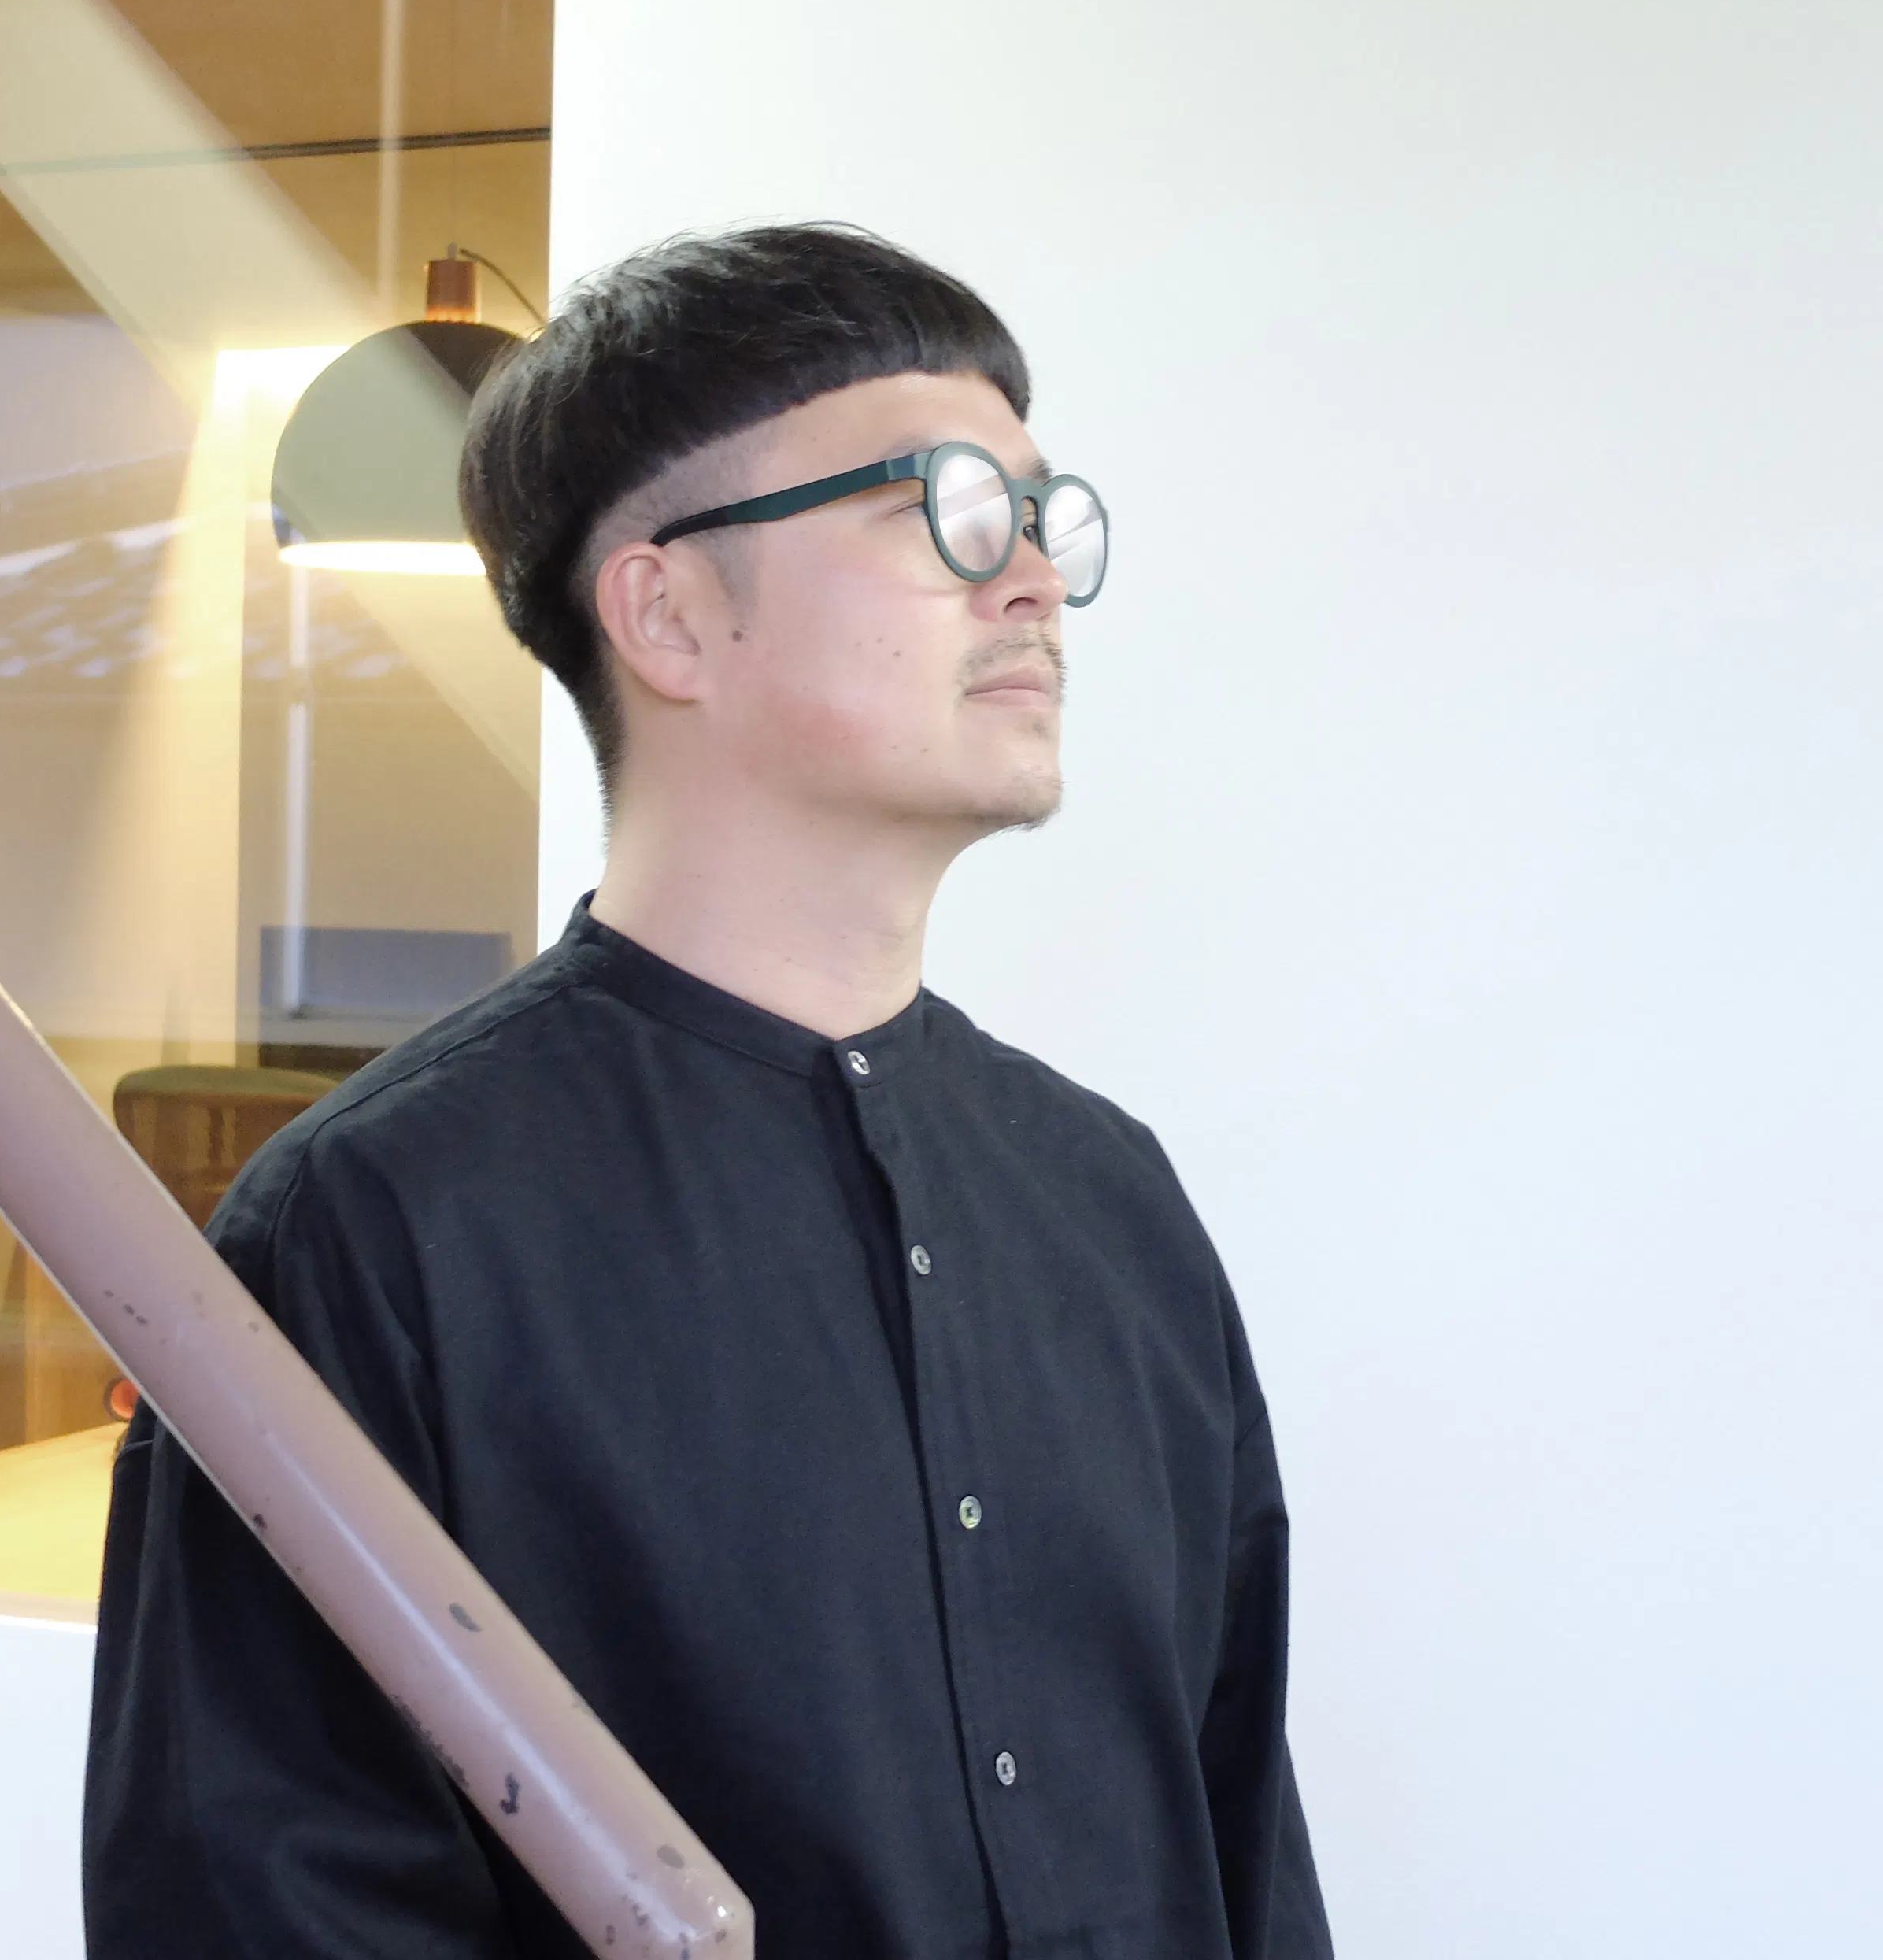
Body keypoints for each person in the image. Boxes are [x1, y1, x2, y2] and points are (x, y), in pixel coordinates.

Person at [83, 224, 1332, 1959]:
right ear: (667, 613)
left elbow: (1240, 1834)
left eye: (1045, 517)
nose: (1036, 581)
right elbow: (260, 1905)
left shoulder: (1110, 1201)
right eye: (951, 509)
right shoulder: (372, 1231)